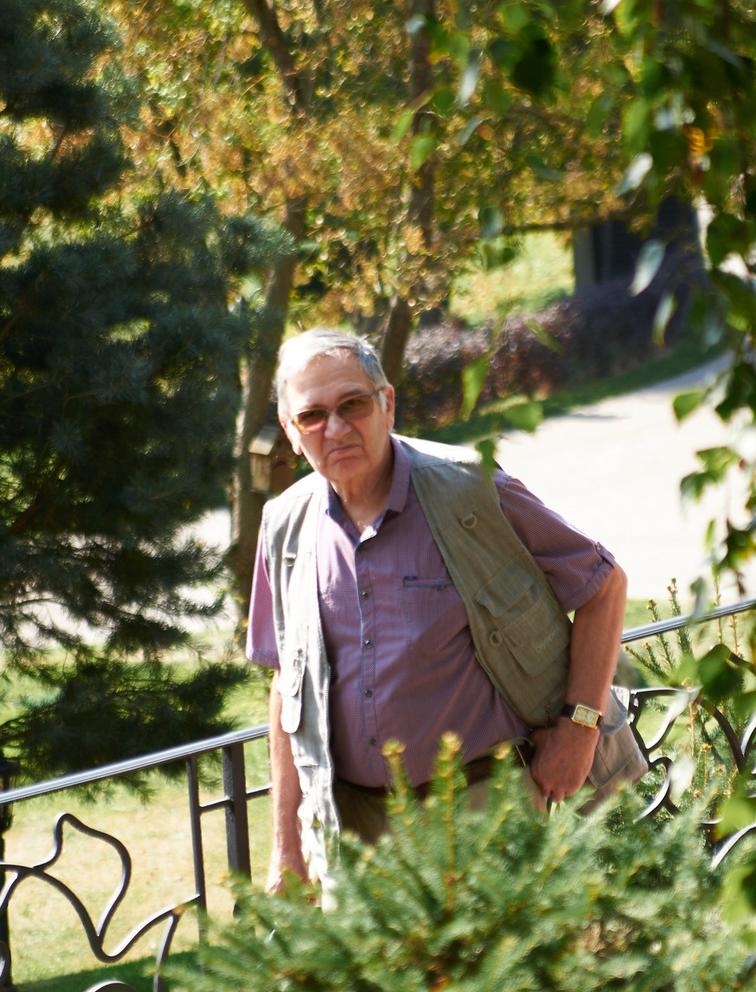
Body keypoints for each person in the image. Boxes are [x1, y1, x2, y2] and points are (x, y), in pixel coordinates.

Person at [249, 327, 632, 887]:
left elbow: (603, 586)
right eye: (312, 416)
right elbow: (288, 687)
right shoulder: (283, 527)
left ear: (387, 403)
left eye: (352, 404)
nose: (335, 428)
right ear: (290, 431)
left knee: (504, 973)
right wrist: (287, 848)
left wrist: (580, 729)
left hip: (483, 806)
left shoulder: (470, 491)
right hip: (352, 827)